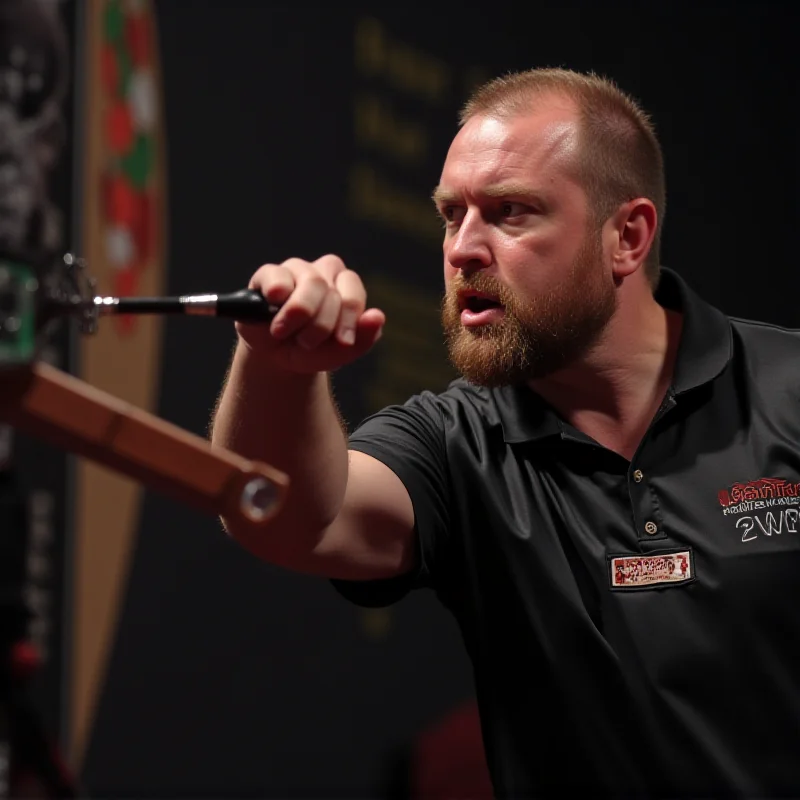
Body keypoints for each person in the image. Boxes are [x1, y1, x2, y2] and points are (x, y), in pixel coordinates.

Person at [210, 67, 800, 797]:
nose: (462, 249)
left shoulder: (788, 391)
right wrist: (275, 364)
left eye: (511, 212)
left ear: (628, 235)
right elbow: (291, 519)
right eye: (451, 216)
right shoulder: (456, 441)